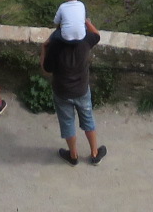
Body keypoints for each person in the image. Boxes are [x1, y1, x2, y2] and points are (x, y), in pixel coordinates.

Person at [42, 21, 106, 166]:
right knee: (88, 119)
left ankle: (73, 155)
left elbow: (46, 69)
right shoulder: (85, 41)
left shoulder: (55, 46)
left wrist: (44, 48)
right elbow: (96, 35)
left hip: (62, 91)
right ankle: (95, 153)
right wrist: (85, 20)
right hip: (81, 90)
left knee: (67, 122)